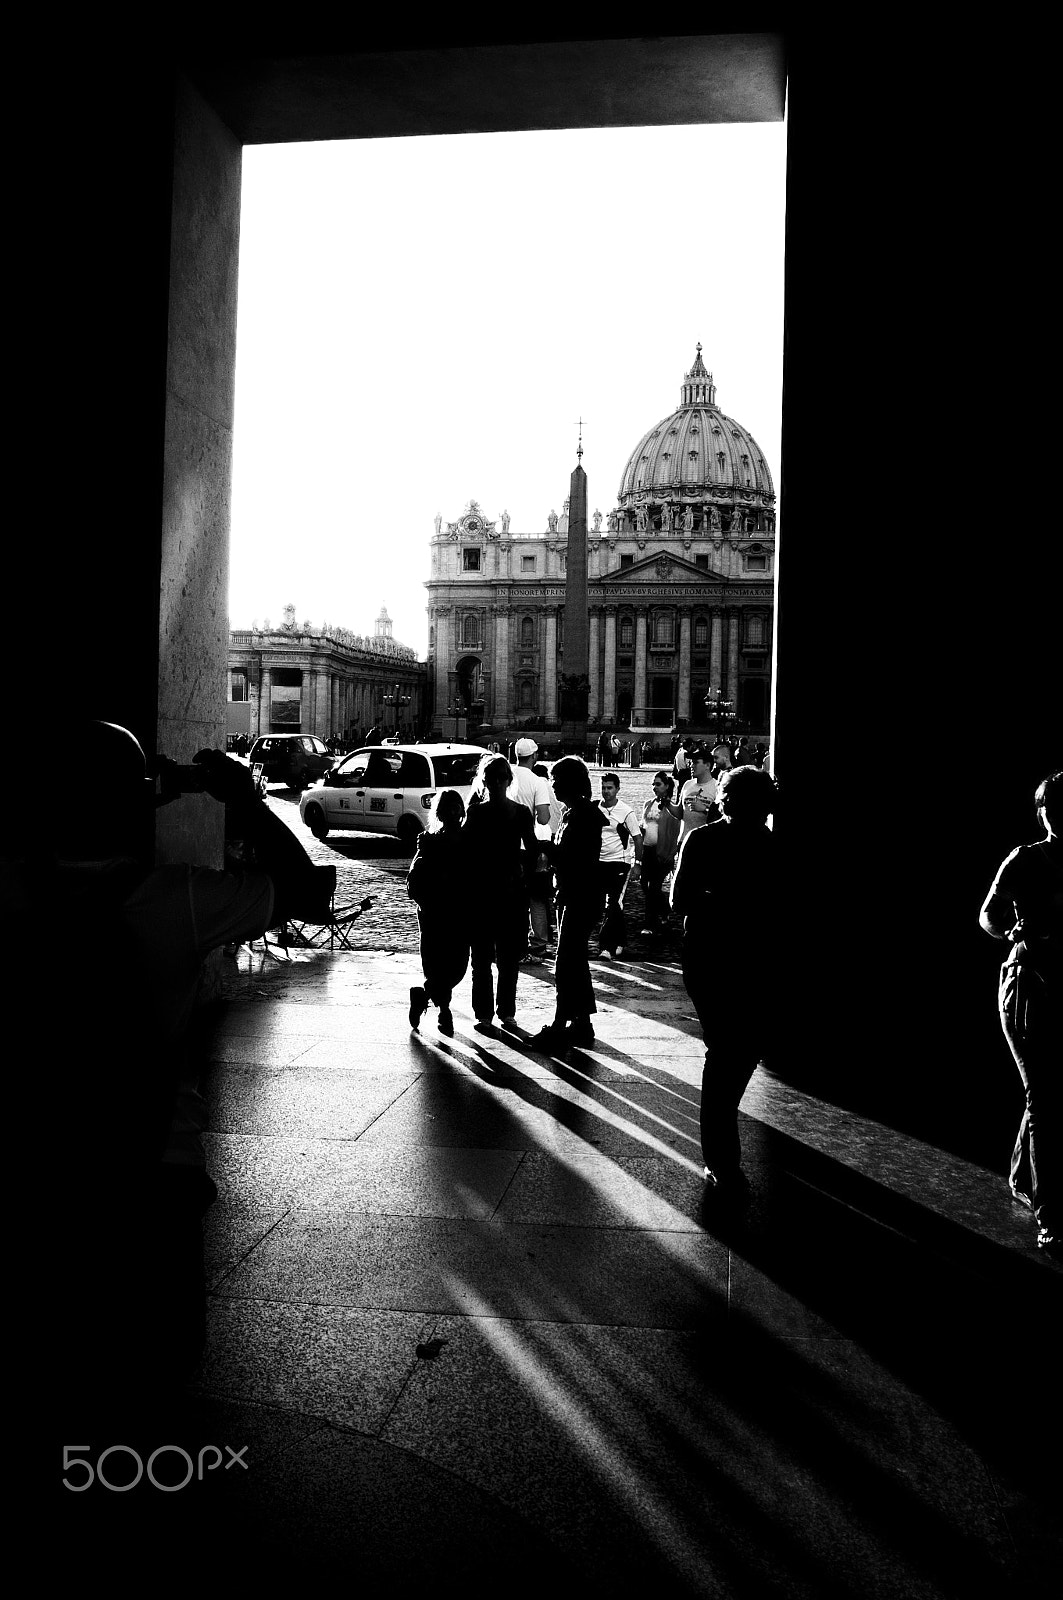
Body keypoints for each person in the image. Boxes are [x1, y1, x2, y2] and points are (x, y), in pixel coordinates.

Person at [25, 719, 336, 1423]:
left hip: (44, 1157)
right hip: (154, 1154)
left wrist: (139, 793)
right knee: (159, 1365)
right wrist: (240, 798)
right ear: (130, 806)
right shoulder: (177, 899)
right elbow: (304, 892)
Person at [671, 765, 780, 1195]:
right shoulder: (705, 839)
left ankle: (720, 1149)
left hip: (738, 962)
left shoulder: (768, 845)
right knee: (726, 1053)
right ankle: (721, 1158)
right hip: (715, 963)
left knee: (736, 1052)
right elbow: (680, 899)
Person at [979, 771, 1062, 1257]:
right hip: (1029, 987)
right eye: (1049, 805)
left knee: (1046, 1094)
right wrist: (1013, 932)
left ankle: (1020, 1176)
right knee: (1045, 1097)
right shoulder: (1027, 859)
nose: (1055, 813)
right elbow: (988, 913)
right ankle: (1051, 1213)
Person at [530, 757, 608, 1053]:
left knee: (566, 962)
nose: (552, 785)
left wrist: (545, 847)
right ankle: (582, 1022)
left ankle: (561, 1024)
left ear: (568, 783)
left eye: (555, 780)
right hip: (574, 894)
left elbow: (574, 860)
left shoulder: (582, 816)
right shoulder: (575, 813)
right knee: (575, 961)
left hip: (581, 895)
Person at [463, 754, 537, 1031]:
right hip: (511, 892)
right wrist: (522, 874)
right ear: (508, 780)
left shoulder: (476, 813)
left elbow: (466, 852)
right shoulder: (520, 813)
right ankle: (506, 1011)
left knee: (481, 959)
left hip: (482, 892)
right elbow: (531, 851)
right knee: (508, 960)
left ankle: (483, 1013)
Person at [406, 790, 471, 1037]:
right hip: (435, 912)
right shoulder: (429, 840)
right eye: (450, 807)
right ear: (441, 812)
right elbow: (415, 877)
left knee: (456, 967)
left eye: (457, 807)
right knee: (439, 966)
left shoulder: (467, 840)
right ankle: (444, 1011)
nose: (454, 812)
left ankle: (423, 995)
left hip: (457, 912)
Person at [509, 736, 554, 962]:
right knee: (536, 898)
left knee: (511, 898)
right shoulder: (538, 782)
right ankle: (538, 945)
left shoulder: (505, 777)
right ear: (534, 756)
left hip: (506, 848)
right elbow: (544, 819)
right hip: (530, 846)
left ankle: (509, 942)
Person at [596, 771, 643, 960]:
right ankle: (621, 940)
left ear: (617, 789)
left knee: (614, 903)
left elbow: (638, 838)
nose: (606, 792)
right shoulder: (595, 809)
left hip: (619, 863)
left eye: (610, 788)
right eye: (603, 788)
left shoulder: (626, 811)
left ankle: (605, 947)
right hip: (599, 863)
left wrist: (637, 864)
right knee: (605, 905)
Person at [639, 771, 683, 936]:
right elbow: (643, 825)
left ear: (666, 786)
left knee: (653, 887)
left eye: (658, 784)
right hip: (648, 850)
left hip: (662, 852)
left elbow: (674, 834)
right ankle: (664, 910)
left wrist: (670, 855)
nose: (654, 787)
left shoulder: (672, 809)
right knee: (645, 884)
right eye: (653, 784)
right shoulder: (648, 804)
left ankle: (649, 924)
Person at [677, 744, 719, 845]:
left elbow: (721, 818)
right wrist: (666, 802)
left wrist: (705, 810)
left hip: (705, 843)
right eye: (691, 762)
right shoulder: (687, 784)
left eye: (695, 763)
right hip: (684, 841)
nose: (691, 766)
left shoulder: (717, 787)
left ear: (707, 765)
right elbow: (680, 813)